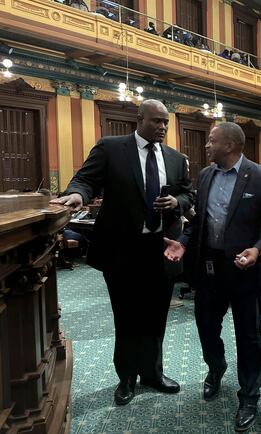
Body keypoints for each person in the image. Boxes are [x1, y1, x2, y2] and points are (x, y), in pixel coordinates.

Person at [50, 100, 194, 405]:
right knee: (127, 316)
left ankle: (153, 373)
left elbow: (186, 191)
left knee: (156, 316)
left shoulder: (175, 158)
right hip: (122, 250)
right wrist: (77, 194)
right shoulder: (111, 147)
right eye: (156, 121)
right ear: (139, 120)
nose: (163, 127)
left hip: (162, 248)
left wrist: (177, 203)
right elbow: (86, 179)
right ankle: (126, 378)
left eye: (166, 122)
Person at [163, 122, 261, 432]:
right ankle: (216, 367)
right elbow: (197, 222)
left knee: (248, 337)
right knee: (206, 327)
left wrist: (259, 250)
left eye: (212, 141)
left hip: (245, 270)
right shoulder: (205, 176)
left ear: (229, 145)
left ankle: (249, 396)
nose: (207, 145)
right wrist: (184, 241)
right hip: (208, 269)